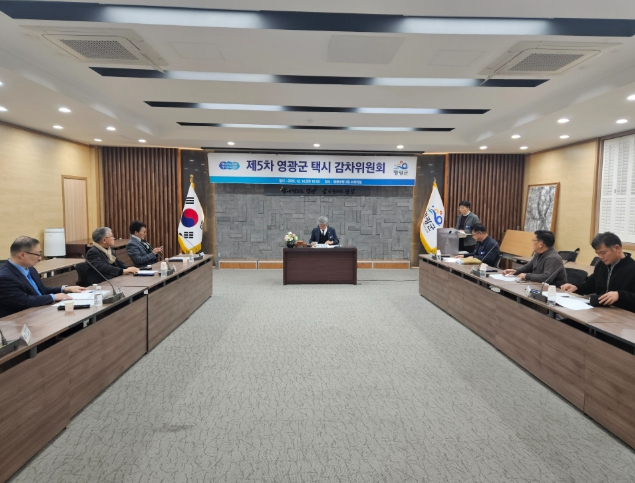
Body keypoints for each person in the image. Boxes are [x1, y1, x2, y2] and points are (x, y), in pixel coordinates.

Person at [0, 236, 86, 318]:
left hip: (39, 311)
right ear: (22, 255)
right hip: (20, 320)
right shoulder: (5, 277)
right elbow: (24, 301)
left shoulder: (30, 269)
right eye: (38, 254)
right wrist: (54, 297)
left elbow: (42, 290)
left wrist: (65, 289)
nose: (40, 258)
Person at [561, 232, 635, 311]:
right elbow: (590, 285)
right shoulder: (601, 265)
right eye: (598, 253)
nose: (600, 257)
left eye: (603, 252)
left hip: (623, 314)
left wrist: (619, 295)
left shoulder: (632, 268)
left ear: (617, 248)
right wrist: (576, 288)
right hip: (601, 310)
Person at [502, 230, 567, 286]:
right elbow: (528, 267)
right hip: (537, 286)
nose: (532, 243)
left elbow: (546, 278)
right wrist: (516, 271)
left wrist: (526, 276)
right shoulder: (539, 253)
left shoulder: (553, 258)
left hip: (552, 291)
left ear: (541, 244)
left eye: (534, 240)